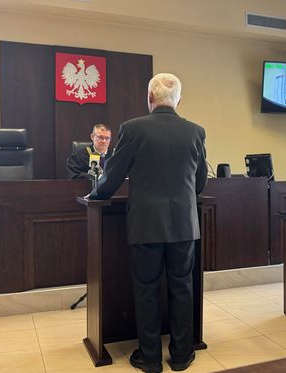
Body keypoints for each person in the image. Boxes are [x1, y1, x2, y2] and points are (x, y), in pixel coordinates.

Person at [89, 73, 207, 373]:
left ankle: (150, 357)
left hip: (146, 224)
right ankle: (181, 355)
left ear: (150, 97)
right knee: (182, 288)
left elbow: (112, 177)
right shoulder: (196, 132)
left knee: (146, 290)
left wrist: (95, 194)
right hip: (184, 223)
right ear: (179, 100)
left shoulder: (132, 129)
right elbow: (200, 182)